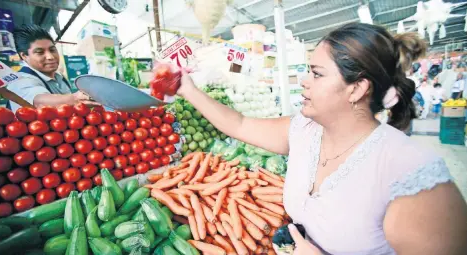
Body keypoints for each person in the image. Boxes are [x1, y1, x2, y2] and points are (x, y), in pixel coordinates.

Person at [176, 23, 467, 254]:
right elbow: (239, 124)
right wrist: (186, 88)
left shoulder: (411, 174)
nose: (304, 81)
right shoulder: (305, 131)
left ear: (356, 89)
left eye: (316, 74)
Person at [7, 24, 98, 112]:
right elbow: (39, 101)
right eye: (40, 52)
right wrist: (76, 98)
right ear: (24, 56)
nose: (50, 56)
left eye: (52, 50)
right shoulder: (19, 80)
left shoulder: (60, 77)